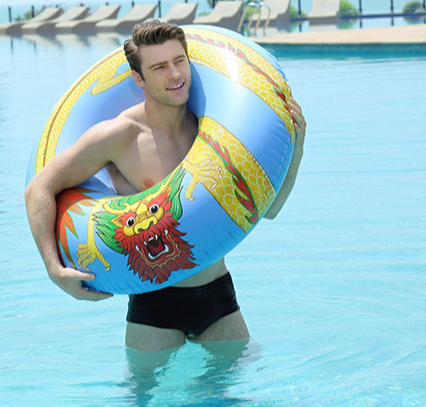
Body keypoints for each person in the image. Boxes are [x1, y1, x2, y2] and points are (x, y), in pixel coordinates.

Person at [25, 19, 306, 352]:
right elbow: (38, 189)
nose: (175, 75)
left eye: (179, 61)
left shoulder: (213, 130)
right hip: (153, 305)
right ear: (138, 78)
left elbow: (269, 210)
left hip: (217, 295)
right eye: (159, 67)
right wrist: (53, 268)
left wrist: (297, 147)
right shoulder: (119, 136)